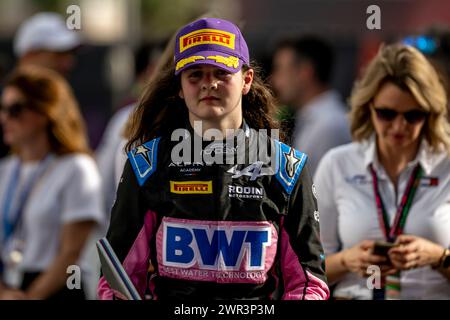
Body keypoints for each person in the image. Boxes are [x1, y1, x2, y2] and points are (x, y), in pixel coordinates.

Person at [98, 17, 329, 300]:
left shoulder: (286, 168)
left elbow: (308, 281)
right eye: (195, 74)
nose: (209, 84)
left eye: (221, 72)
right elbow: (117, 279)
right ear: (180, 88)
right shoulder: (148, 164)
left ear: (246, 80)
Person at [314, 44, 450, 300]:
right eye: (386, 114)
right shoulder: (337, 164)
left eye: (413, 116)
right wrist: (347, 260)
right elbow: (307, 271)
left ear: (430, 114)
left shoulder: (447, 165)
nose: (399, 126)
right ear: (368, 107)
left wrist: (437, 257)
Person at [0, 66, 104, 299]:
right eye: (3, 108)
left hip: (59, 288)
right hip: (11, 283)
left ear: (46, 111)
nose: (4, 117)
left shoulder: (77, 167)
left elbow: (70, 254)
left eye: (15, 109)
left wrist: (30, 297)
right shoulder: (7, 169)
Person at [271, 36, 351, 174]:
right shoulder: (316, 119)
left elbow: (319, 190)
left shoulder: (328, 125)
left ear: (305, 73)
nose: (274, 79)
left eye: (281, 70)